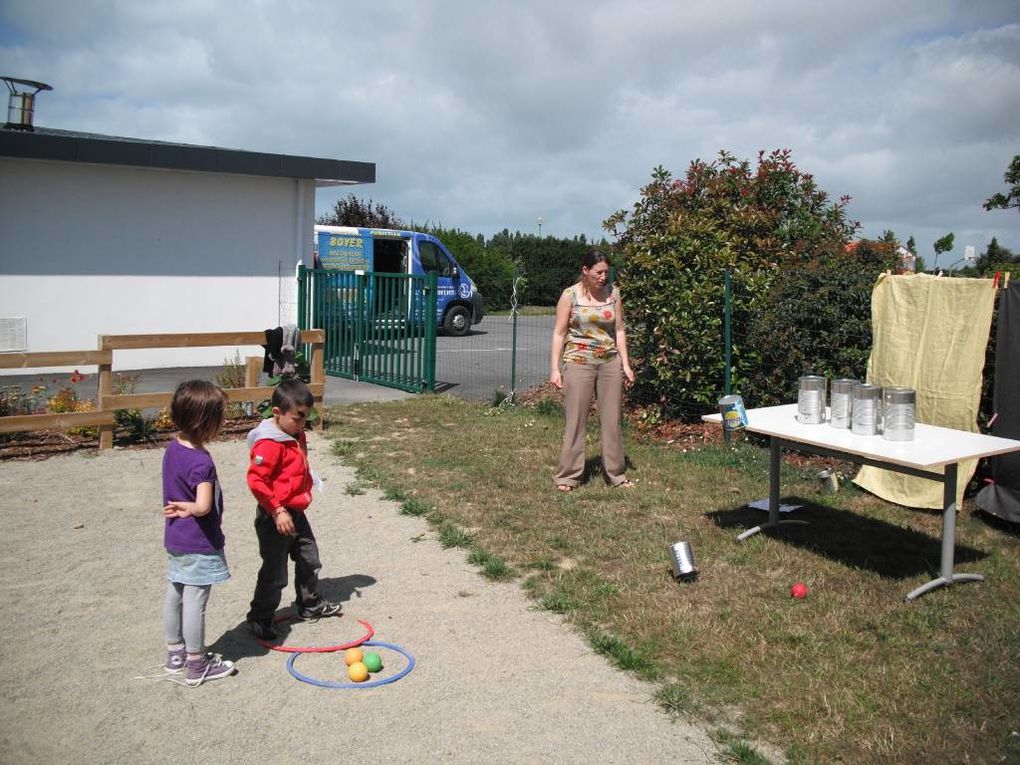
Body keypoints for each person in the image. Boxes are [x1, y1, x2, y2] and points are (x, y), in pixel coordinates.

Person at [245, 378, 343, 640]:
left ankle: (309, 604)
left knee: (310, 558)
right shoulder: (268, 443)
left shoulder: (295, 434)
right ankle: (261, 617)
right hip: (274, 516)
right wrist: (277, 510)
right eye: (298, 418)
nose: (302, 424)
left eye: (306, 418)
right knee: (275, 572)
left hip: (295, 512)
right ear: (277, 413)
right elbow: (257, 481)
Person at [162, 380, 237, 687]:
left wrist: (183, 509)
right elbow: (204, 505)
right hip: (199, 541)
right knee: (196, 600)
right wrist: (192, 508)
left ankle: (175, 654)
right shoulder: (201, 461)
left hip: (176, 538)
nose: (225, 421)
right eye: (221, 416)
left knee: (176, 592)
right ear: (205, 422)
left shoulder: (173, 448)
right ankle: (197, 663)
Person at [549, 250, 635, 491]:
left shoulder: (614, 294)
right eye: (599, 272)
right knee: (576, 421)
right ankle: (568, 476)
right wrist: (555, 368)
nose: (603, 277)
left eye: (606, 272)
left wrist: (625, 364)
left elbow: (619, 330)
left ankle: (616, 474)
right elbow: (559, 333)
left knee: (612, 420)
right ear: (585, 271)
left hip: (609, 362)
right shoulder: (570, 295)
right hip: (578, 362)